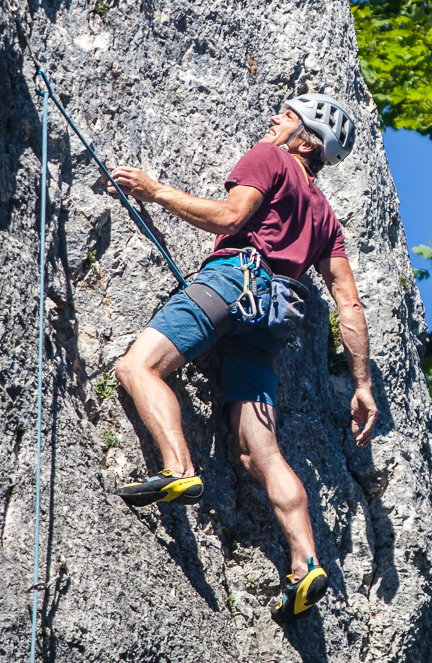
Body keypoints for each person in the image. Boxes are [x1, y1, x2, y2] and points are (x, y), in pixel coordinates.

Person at [102, 93, 377, 623]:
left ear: (304, 140)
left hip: (234, 282)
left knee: (138, 366)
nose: (273, 119)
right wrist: (362, 385)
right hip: (273, 317)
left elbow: (230, 215)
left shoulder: (270, 157)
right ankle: (305, 563)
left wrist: (155, 190)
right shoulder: (325, 216)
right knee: (260, 452)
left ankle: (178, 468)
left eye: (287, 115)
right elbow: (349, 302)